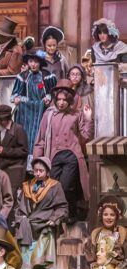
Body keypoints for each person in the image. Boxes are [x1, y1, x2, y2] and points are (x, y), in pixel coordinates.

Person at [33, 79, 93, 222]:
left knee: (66, 186)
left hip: (71, 155)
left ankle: (70, 213)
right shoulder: (48, 115)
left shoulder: (76, 114)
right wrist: (37, 161)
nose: (61, 103)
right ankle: (58, 215)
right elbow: (40, 139)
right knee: (53, 187)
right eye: (59, 99)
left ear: (70, 100)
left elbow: (85, 136)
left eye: (64, 100)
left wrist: (88, 119)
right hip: (53, 156)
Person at [14, 157, 69, 269]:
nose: (38, 173)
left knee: (41, 262)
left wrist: (54, 219)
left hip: (45, 226)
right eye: (36, 170)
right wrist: (21, 218)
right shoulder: (27, 186)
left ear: (47, 172)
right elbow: (18, 206)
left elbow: (62, 207)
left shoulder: (54, 186)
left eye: (41, 171)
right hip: (28, 227)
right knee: (26, 262)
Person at [11, 49, 57, 157]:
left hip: (42, 111)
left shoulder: (47, 76)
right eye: (31, 61)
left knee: (40, 136)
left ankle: (40, 159)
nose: (33, 64)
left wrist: (48, 97)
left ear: (40, 62)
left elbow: (54, 92)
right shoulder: (23, 76)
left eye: (36, 62)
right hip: (25, 114)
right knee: (25, 136)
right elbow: (14, 95)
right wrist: (17, 98)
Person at [0, 105, 29, 193]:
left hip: (15, 168)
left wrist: (5, 151)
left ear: (8, 117)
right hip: (1, 168)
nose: (2, 122)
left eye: (4, 119)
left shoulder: (18, 129)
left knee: (11, 194)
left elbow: (24, 151)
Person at [85, 196, 126, 269]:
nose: (108, 217)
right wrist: (92, 262)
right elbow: (88, 250)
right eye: (105, 214)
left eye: (112, 215)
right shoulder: (96, 234)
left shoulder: (122, 234)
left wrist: (119, 268)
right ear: (101, 216)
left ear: (116, 217)